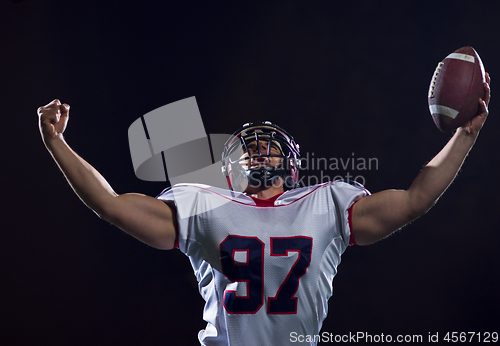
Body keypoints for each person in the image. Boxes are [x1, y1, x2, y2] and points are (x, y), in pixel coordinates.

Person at [37, 74, 490, 346]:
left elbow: (414, 200)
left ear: (290, 165)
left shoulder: (328, 201)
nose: (258, 154)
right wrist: (57, 144)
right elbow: (112, 206)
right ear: (229, 169)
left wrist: (464, 136)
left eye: (268, 149)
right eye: (247, 150)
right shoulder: (202, 203)